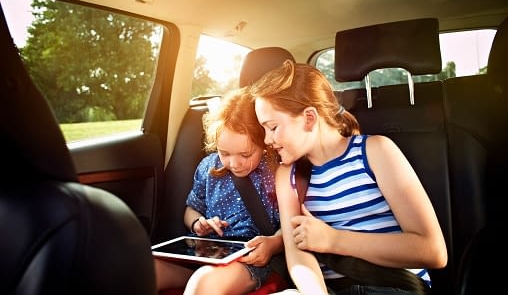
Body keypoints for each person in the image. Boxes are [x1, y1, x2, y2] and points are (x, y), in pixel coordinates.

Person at [249, 60, 448, 295]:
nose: (266, 140)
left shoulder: (376, 152)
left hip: (393, 286)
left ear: (309, 118)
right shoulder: (288, 176)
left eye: (272, 127)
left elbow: (432, 251)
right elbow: (298, 257)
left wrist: (334, 240)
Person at [154, 86, 284, 295]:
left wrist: (273, 244)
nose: (234, 163)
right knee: (144, 270)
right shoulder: (209, 167)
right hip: (208, 253)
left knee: (203, 283)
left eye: (245, 154)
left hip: (251, 260)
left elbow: (289, 226)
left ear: (264, 143)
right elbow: (191, 210)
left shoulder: (274, 172)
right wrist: (198, 223)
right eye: (225, 153)